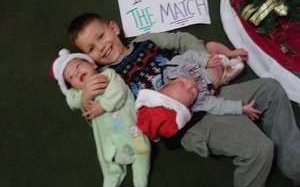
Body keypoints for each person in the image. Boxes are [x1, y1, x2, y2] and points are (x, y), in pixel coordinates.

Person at [66, 13, 300, 187]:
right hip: (190, 121)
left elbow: (181, 39)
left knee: (270, 89)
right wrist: (87, 95)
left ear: (113, 28)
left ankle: (295, 165)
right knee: (259, 147)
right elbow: (103, 113)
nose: (102, 46)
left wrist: (207, 61)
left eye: (101, 36)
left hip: (209, 91)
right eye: (92, 48)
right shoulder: (109, 78)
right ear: (90, 59)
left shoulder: (145, 40)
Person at [51, 48, 150, 187]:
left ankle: (140, 182)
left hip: (131, 131)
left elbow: (119, 91)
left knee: (143, 149)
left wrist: (103, 106)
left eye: (78, 66)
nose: (77, 72)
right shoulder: (79, 94)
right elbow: (70, 101)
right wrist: (85, 95)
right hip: (109, 142)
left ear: (92, 64)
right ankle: (111, 180)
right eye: (71, 77)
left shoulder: (108, 75)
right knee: (106, 161)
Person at [135, 73, 261, 140]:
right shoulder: (202, 101)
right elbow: (220, 106)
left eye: (182, 83)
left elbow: (188, 53)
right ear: (191, 106)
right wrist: (241, 108)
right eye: (191, 93)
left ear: (169, 81)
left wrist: (206, 58)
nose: (191, 85)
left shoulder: (173, 69)